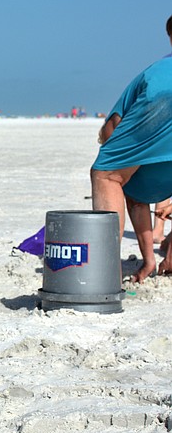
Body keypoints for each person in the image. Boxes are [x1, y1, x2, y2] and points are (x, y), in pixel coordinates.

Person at [91, 14, 172, 283]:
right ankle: (156, 260)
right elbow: (138, 202)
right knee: (132, 190)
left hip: (162, 92)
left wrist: (109, 147)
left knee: (108, 175)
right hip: (157, 171)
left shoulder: (154, 73)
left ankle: (106, 273)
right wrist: (149, 259)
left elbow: (112, 127)